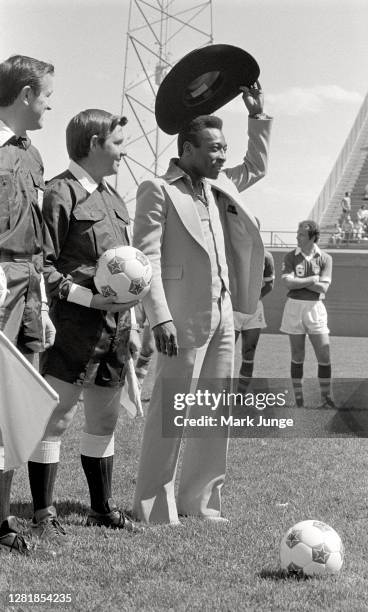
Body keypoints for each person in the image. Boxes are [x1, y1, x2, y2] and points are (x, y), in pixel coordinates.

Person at [132, 83, 272, 524]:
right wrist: (160, 318)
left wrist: (257, 117)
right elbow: (146, 257)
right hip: (180, 318)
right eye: (213, 149)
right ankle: (153, 506)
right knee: (170, 413)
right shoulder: (156, 188)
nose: (221, 156)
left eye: (224, 148)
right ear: (187, 148)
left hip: (224, 314)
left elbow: (257, 166)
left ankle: (200, 501)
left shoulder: (220, 183)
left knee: (215, 411)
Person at [32, 109, 142, 542]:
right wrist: (86, 297)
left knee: (105, 417)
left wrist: (130, 320)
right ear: (95, 144)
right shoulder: (60, 193)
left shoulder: (114, 198)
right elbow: (45, 264)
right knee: (57, 417)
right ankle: (43, 511)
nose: (123, 151)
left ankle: (101, 508)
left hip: (115, 328)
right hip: (72, 326)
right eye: (117, 143)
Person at [0, 55, 56, 554]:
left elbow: (36, 235)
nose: (48, 106)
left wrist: (42, 296)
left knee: (20, 401)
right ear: (23, 95)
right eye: (45, 97)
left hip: (29, 285)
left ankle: (5, 518)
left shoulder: (34, 155)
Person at [280, 220, 335, 409]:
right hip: (294, 307)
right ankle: (299, 401)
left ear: (312, 237)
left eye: (301, 234)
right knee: (297, 355)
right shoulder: (290, 257)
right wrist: (312, 279)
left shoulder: (325, 258)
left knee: (324, 355)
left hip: (315, 308)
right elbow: (288, 284)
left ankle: (326, 399)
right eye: (297, 233)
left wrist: (299, 280)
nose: (297, 236)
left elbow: (324, 287)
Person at [233, 244, 275, 394]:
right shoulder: (232, 249)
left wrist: (253, 299)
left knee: (249, 352)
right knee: (225, 352)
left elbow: (269, 285)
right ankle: (220, 395)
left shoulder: (266, 256)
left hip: (254, 310)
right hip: (233, 309)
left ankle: (240, 395)